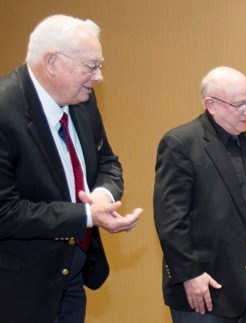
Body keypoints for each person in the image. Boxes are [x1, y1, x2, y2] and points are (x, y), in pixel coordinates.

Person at [0, 14, 142, 322]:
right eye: (91, 66)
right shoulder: (4, 111)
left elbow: (108, 162)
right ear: (51, 61)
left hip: (72, 275)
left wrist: (102, 194)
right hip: (19, 288)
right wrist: (87, 215)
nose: (99, 77)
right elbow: (4, 212)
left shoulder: (82, 101)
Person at [154, 66, 246, 323]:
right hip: (202, 286)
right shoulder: (181, 143)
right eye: (239, 105)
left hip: (241, 283)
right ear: (211, 104)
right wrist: (190, 274)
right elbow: (170, 220)